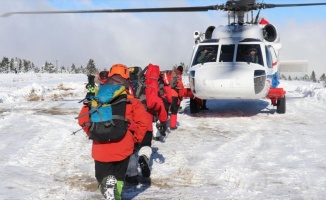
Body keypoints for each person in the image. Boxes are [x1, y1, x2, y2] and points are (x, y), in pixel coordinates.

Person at [77, 64, 148, 200]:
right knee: (118, 179)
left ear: (109, 77)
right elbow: (143, 123)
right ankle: (115, 195)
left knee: (103, 180)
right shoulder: (131, 100)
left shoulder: (96, 97)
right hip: (124, 146)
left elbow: (83, 120)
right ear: (127, 79)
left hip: (100, 148)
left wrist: (93, 133)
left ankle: (109, 193)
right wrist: (135, 141)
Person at [125, 64, 168, 184]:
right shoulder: (148, 87)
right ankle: (144, 156)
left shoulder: (125, 86)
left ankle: (132, 174)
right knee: (146, 145)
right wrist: (163, 121)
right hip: (146, 121)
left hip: (130, 121)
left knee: (131, 149)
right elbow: (158, 103)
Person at [169, 65, 185, 130]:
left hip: (167, 93)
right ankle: (173, 125)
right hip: (174, 95)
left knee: (167, 110)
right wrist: (181, 97)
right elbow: (180, 88)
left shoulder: (172, 73)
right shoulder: (178, 76)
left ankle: (163, 124)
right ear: (181, 71)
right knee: (174, 111)